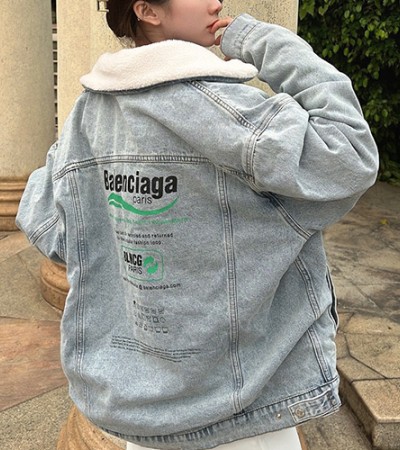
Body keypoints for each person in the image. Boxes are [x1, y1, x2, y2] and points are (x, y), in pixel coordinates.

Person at [16, 0, 379, 449]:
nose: (216, 2)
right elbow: (350, 155)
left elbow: (46, 224)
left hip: (142, 408)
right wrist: (261, 40)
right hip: (244, 408)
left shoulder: (90, 114)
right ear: (147, 10)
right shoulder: (227, 110)